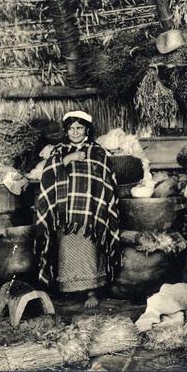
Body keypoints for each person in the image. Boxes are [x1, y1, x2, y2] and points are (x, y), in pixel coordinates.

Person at [35, 111, 121, 308]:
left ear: (87, 130)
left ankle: (92, 292)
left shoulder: (98, 152)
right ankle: (71, 291)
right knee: (66, 250)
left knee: (91, 249)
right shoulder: (59, 150)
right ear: (66, 131)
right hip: (65, 213)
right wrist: (69, 158)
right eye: (71, 129)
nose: (75, 132)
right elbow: (48, 173)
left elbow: (105, 181)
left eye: (79, 128)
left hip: (90, 213)